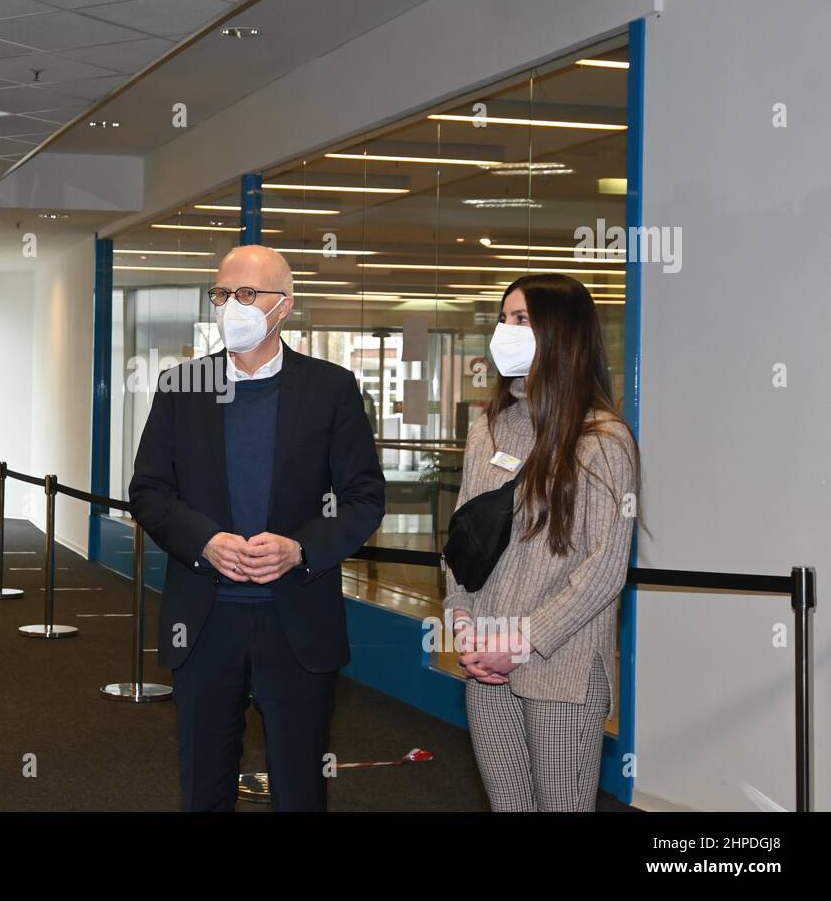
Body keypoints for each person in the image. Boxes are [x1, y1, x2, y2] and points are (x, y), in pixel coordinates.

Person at [129, 244, 385, 811]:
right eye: (222, 295)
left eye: (247, 294)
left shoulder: (331, 389)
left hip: (296, 620)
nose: (231, 306)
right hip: (203, 620)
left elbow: (364, 498)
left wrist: (300, 548)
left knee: (299, 786)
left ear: (284, 306)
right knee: (205, 783)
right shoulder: (182, 386)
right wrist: (205, 541)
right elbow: (148, 490)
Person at [444, 272, 638, 811]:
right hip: (486, 661)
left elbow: (603, 568)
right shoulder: (489, 427)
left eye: (523, 320)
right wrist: (460, 617)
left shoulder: (602, 438)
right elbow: (462, 536)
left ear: (563, 335)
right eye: (505, 319)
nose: (507, 331)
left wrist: (522, 642)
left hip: (562, 668)